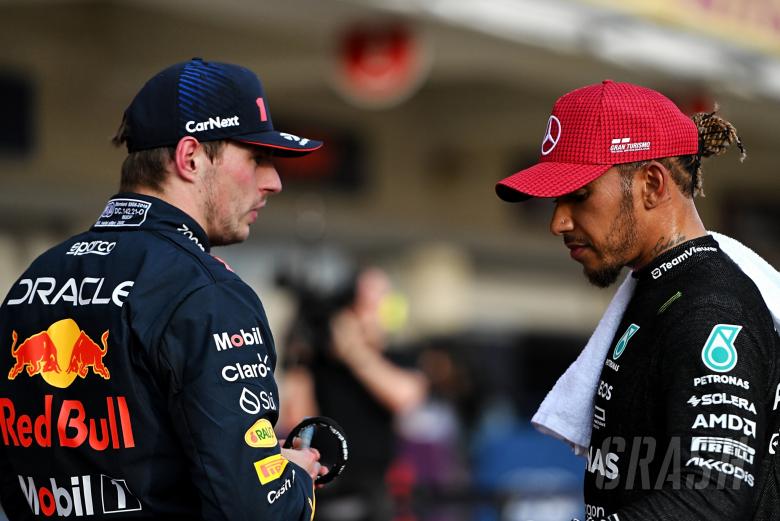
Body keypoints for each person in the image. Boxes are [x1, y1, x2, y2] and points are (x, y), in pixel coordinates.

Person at [0, 57, 328, 520]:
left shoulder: (34, 281)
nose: (272, 181)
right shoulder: (205, 292)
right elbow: (253, 509)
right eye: (257, 158)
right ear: (190, 157)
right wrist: (291, 477)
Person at [495, 80, 780, 520]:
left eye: (580, 194)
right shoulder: (661, 289)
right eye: (556, 198)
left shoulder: (709, 309)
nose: (558, 221)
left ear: (651, 183)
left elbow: (713, 497)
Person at [280, 266, 428, 521]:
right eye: (367, 303)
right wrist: (300, 357)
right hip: (327, 482)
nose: (376, 312)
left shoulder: (398, 355)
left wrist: (353, 350)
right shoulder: (323, 362)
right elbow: (296, 420)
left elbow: (405, 396)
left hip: (376, 488)